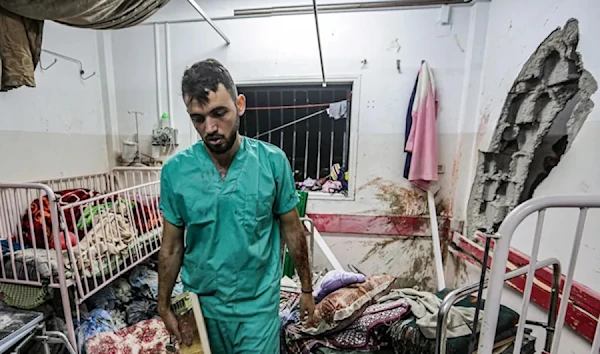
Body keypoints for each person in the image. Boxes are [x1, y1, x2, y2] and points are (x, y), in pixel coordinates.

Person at [157, 58, 315, 353]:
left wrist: (306, 289)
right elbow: (172, 247)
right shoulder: (176, 172)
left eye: (219, 113)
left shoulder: (272, 163)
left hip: (256, 310)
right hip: (201, 308)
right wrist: (163, 304)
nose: (210, 127)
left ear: (239, 104)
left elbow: (293, 231)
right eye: (198, 118)